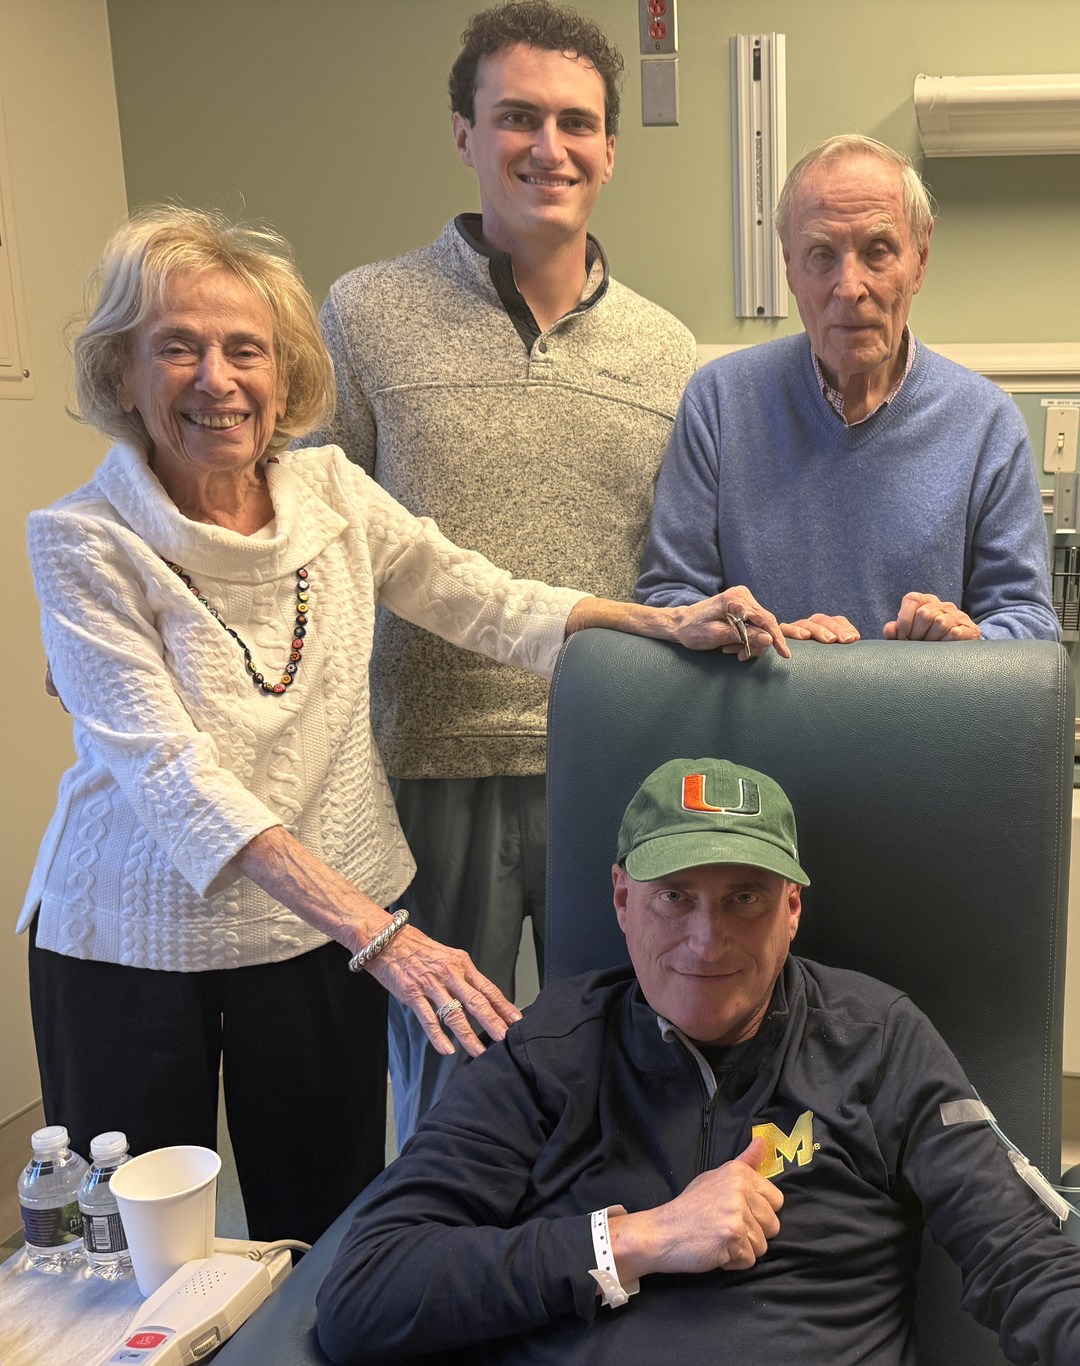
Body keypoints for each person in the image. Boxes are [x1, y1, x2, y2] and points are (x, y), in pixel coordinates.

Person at [21, 208, 784, 1245]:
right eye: (177, 349)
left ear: (285, 373)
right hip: (131, 942)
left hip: (312, 940)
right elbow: (174, 778)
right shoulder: (80, 543)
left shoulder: (332, 491)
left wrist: (661, 620)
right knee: (138, 1246)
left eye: (245, 349)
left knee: (323, 1221)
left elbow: (485, 599)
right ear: (122, 374)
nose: (216, 379)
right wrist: (381, 934)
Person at [317, 755, 1080, 1366]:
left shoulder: (878, 1041)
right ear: (621, 899)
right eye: (675, 896)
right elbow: (366, 1289)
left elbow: (1025, 1254)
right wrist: (638, 1241)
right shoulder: (548, 1052)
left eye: (745, 898)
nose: (707, 941)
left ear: (792, 909)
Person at [302, 0, 699, 1143]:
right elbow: (318, 537)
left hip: (607, 756)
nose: (548, 146)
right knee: (452, 1071)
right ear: (467, 137)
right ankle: (447, 1280)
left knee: (618, 1051)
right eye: (516, 116)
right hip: (431, 762)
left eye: (576, 122)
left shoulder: (667, 352)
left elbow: (672, 566)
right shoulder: (367, 311)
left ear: (611, 151)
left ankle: (603, 1270)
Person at [637, 134, 1060, 646]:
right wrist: (760, 639)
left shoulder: (989, 425)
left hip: (925, 722)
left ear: (920, 259)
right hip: (761, 715)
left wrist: (965, 647)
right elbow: (667, 602)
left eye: (877, 251)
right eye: (821, 255)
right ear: (790, 266)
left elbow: (1030, 624)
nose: (850, 287)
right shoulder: (719, 404)